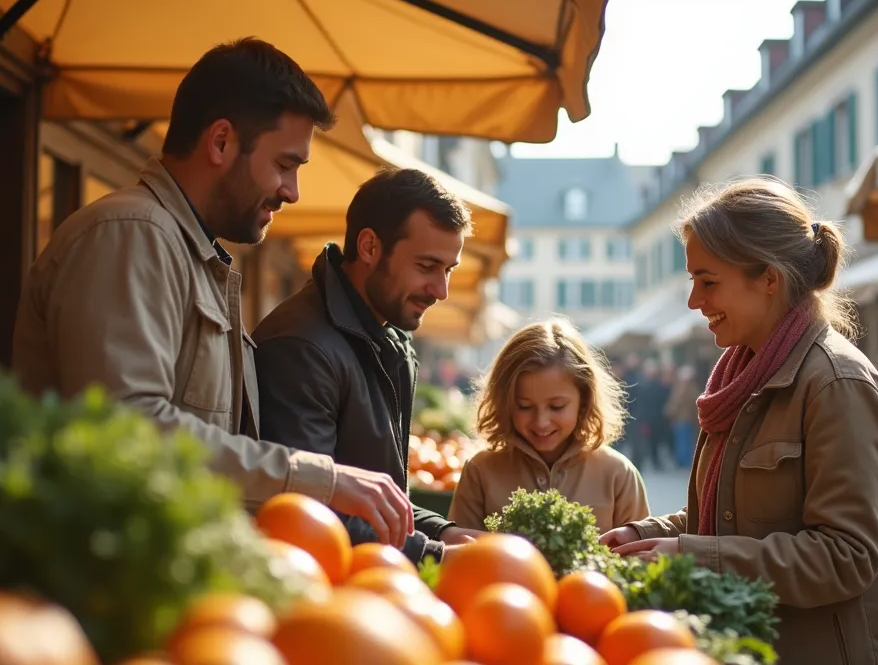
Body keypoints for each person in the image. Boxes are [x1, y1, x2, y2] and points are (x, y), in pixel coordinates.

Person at [11, 38, 414, 543]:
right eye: (285, 164)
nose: (292, 191)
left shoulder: (189, 251)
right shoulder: (134, 233)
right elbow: (127, 430)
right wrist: (320, 479)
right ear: (221, 142)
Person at [599, 178, 878, 664]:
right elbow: (734, 517)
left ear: (769, 279)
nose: (694, 301)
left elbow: (845, 558)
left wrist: (689, 556)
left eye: (708, 282)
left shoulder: (837, 385)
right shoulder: (747, 376)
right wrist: (647, 534)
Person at [251, 168, 483, 562]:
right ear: (371, 247)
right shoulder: (301, 347)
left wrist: (446, 530)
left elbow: (380, 502)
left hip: (369, 582)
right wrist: (432, 553)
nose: (440, 291)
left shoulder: (386, 338)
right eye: (427, 267)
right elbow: (305, 510)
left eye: (448, 270)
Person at [448, 318, 650, 533]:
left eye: (557, 406)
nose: (541, 422)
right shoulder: (480, 471)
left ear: (584, 399)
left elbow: (639, 559)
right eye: (524, 406)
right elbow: (461, 555)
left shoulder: (619, 474)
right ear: (504, 402)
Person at [664, 363, 703, 467]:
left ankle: (683, 461)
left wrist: (671, 412)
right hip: (686, 419)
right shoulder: (690, 388)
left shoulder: (682, 387)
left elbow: (675, 403)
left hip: (683, 419)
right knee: (685, 440)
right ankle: (685, 461)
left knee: (683, 441)